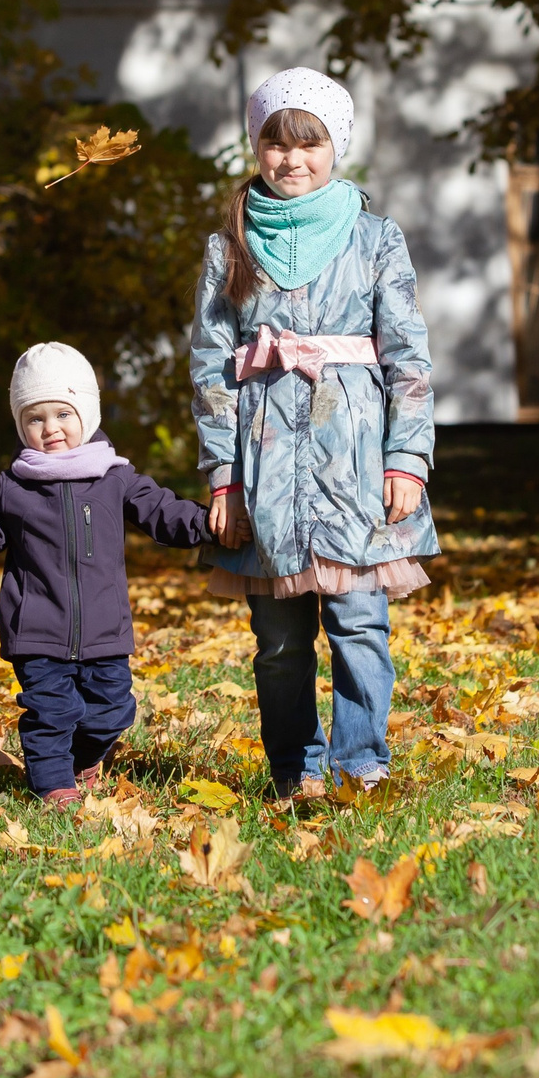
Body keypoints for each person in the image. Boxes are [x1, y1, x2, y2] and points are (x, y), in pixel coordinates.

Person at [190, 68, 436, 800]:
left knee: (360, 623)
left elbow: (409, 357)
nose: (291, 158)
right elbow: (210, 365)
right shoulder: (227, 244)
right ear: (255, 146)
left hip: (355, 465)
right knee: (280, 641)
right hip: (264, 471)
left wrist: (407, 457)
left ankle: (362, 761)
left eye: (310, 142)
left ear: (337, 148)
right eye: (275, 141)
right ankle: (295, 767)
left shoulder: (374, 237)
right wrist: (223, 476)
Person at [0, 343, 210, 807]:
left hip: (105, 628)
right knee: (51, 711)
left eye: (63, 413)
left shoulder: (114, 476)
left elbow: (163, 513)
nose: (50, 429)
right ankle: (54, 784)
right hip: (37, 628)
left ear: (86, 412)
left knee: (112, 711)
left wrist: (209, 525)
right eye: (35, 419)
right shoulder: (17, 485)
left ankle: (80, 762)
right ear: (22, 426)